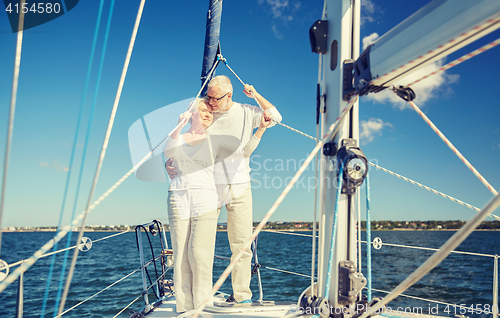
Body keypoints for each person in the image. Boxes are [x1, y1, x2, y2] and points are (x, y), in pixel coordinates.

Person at [167, 75, 282, 303]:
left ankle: (241, 296)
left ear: (229, 95)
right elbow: (185, 144)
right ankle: (200, 298)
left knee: (241, 244)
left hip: (240, 185)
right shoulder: (205, 115)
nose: (210, 102)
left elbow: (276, 117)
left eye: (214, 98)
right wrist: (169, 162)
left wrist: (255, 94)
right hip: (209, 187)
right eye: (207, 96)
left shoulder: (247, 111)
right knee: (201, 248)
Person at [163, 98, 218, 313]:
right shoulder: (180, 137)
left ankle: (203, 309)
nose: (207, 114)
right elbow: (168, 153)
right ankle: (184, 308)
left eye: (210, 112)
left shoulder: (215, 138)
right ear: (191, 113)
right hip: (178, 197)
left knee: (200, 255)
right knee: (180, 256)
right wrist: (179, 125)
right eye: (202, 110)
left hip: (205, 198)